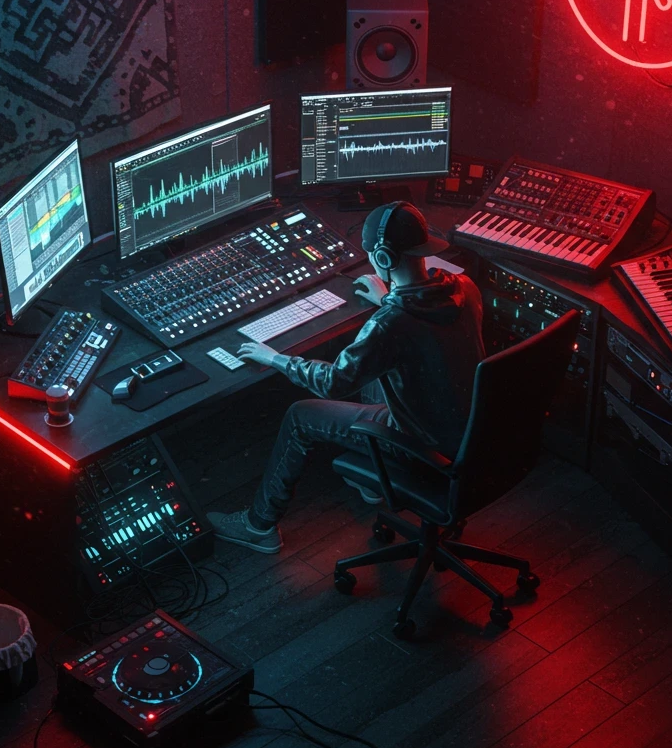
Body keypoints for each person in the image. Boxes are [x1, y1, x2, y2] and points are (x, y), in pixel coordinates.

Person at [206, 201, 486, 554]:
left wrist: (275, 358)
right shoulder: (464, 286)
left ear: (382, 259)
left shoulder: (392, 325)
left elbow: (334, 382)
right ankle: (375, 479)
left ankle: (258, 525)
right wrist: (389, 301)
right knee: (376, 372)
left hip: (426, 444)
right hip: (471, 427)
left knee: (299, 416)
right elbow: (422, 334)